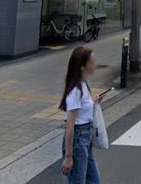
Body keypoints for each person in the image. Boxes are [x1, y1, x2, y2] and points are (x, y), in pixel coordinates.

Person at [60, 46, 101, 183]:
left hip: (85, 139)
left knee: (94, 180)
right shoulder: (76, 91)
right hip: (78, 141)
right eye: (92, 62)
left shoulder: (84, 85)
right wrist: (68, 157)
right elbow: (70, 126)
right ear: (83, 66)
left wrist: (94, 102)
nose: (95, 65)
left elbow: (83, 109)